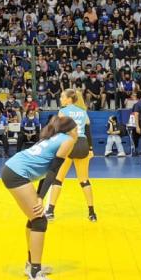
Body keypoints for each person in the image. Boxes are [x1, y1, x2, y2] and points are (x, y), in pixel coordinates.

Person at [1, 115, 79, 280]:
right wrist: (39, 197)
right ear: (70, 130)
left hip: (12, 169)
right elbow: (53, 170)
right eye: (76, 128)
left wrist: (39, 195)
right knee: (39, 220)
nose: (78, 131)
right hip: (16, 173)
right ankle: (35, 275)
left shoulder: (52, 137)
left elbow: (47, 173)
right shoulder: (67, 140)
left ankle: (31, 266)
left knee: (33, 218)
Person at [45, 88, 96, 222]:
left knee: (58, 179)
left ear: (69, 99)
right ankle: (92, 213)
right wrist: (90, 149)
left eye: (62, 97)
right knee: (84, 180)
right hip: (83, 144)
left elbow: (59, 131)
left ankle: (50, 211)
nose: (61, 99)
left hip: (69, 144)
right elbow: (88, 130)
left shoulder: (63, 111)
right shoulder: (83, 111)